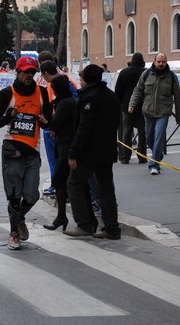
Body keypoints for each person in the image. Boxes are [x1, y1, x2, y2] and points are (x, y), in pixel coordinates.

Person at [0, 56, 51, 250]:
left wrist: (45, 120)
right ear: (18, 72)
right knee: (14, 195)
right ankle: (14, 233)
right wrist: (7, 117)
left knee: (31, 196)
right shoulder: (7, 93)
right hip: (12, 150)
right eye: (26, 72)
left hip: (32, 152)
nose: (29, 75)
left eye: (33, 72)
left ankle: (20, 218)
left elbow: (49, 119)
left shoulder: (42, 93)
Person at [63, 64, 122, 240]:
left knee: (74, 184)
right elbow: (117, 122)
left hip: (89, 152)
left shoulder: (89, 97)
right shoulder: (110, 96)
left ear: (87, 79)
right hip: (107, 150)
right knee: (106, 189)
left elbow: (84, 127)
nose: (79, 82)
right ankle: (112, 228)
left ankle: (84, 224)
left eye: (81, 79)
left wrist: (73, 152)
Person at [129, 52, 180, 175]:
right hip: (148, 111)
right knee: (149, 138)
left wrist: (179, 117)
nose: (161, 64)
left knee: (158, 136)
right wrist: (132, 104)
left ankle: (154, 165)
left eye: (163, 62)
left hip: (163, 112)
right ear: (154, 62)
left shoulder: (171, 76)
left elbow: (178, 97)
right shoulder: (146, 74)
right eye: (159, 62)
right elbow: (138, 90)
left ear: (166, 62)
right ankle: (158, 154)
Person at [43, 74, 77, 232]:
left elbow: (53, 123)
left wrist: (48, 123)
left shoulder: (65, 104)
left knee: (60, 181)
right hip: (66, 146)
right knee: (63, 182)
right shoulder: (68, 101)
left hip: (67, 147)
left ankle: (63, 217)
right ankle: (62, 216)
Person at [115, 52, 147, 164]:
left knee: (127, 132)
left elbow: (118, 91)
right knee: (142, 132)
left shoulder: (124, 72)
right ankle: (142, 157)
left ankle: (125, 157)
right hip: (142, 106)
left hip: (127, 106)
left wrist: (121, 104)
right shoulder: (146, 72)